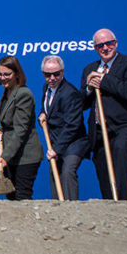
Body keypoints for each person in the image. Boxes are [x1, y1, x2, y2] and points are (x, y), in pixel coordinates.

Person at [81, 28, 127, 200]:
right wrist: (88, 88)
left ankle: (122, 204)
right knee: (103, 171)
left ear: (116, 43)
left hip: (124, 127)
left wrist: (103, 79)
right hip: (99, 130)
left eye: (109, 43)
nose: (105, 48)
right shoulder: (89, 69)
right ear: (95, 48)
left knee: (121, 153)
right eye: (100, 45)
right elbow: (83, 103)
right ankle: (110, 208)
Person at [37, 55, 87, 201]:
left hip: (73, 143)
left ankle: (71, 208)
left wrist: (56, 149)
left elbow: (72, 126)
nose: (52, 78)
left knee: (67, 172)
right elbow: (48, 108)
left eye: (56, 74)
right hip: (56, 140)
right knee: (54, 172)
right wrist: (42, 113)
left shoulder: (71, 94)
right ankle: (58, 209)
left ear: (62, 72)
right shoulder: (46, 87)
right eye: (47, 74)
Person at [0, 56, 41, 200]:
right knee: (11, 195)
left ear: (17, 74)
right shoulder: (7, 92)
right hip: (11, 154)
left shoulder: (23, 94)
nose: (3, 78)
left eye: (7, 74)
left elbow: (21, 129)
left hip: (25, 156)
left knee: (22, 196)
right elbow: (9, 120)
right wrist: (2, 128)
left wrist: (5, 156)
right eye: (0, 74)